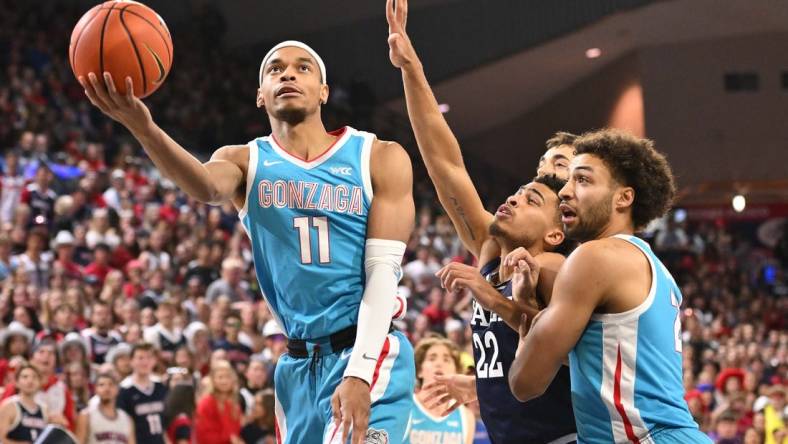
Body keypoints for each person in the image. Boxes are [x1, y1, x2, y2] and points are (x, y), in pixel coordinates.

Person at [81, 36, 416, 444]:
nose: (288, 73)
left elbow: (383, 273)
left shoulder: (377, 157)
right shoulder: (245, 160)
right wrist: (144, 127)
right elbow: (205, 186)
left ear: (324, 91)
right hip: (296, 366)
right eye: (275, 69)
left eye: (303, 67)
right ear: (261, 95)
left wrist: (360, 372)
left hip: (367, 350)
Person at [386, 1, 576, 442]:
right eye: (541, 165)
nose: (544, 172)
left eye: (561, 166)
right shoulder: (495, 247)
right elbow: (444, 164)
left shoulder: (563, 264)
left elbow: (563, 354)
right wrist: (411, 67)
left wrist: (491, 296)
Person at [508, 129, 711, 443]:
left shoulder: (594, 257)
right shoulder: (652, 266)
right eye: (568, 179)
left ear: (624, 198)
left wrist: (522, 307)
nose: (564, 191)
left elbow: (525, 382)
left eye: (583, 180)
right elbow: (597, 362)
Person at [410, 336, 475, 444]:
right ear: (419, 370)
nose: (439, 364)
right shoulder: (406, 406)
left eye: (446, 359)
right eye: (432, 358)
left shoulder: (466, 417)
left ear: (456, 371)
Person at [1, 339, 75, 430]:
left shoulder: (62, 389)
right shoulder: (18, 385)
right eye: (41, 352)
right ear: (31, 358)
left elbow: (70, 424)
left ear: (56, 361)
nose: (46, 356)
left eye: (51, 353)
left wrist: (64, 424)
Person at [117, 342, 168, 444]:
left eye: (149, 358)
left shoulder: (160, 386)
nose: (145, 362)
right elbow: (124, 426)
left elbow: (165, 425)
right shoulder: (124, 390)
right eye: (140, 358)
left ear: (154, 361)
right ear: (131, 361)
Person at [75, 371, 136, 444]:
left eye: (111, 384)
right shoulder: (86, 415)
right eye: (101, 385)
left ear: (118, 389)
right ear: (95, 389)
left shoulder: (127, 419)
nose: (106, 388)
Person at [194, 360, 243, 444]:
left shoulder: (234, 403)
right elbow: (204, 435)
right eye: (220, 377)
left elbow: (236, 431)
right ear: (213, 380)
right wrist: (230, 438)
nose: (224, 381)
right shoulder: (206, 402)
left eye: (228, 377)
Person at [0, 364, 47, 444]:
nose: (30, 381)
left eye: (34, 377)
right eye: (25, 377)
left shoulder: (44, 409)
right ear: (16, 383)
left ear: (40, 383)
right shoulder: (9, 406)